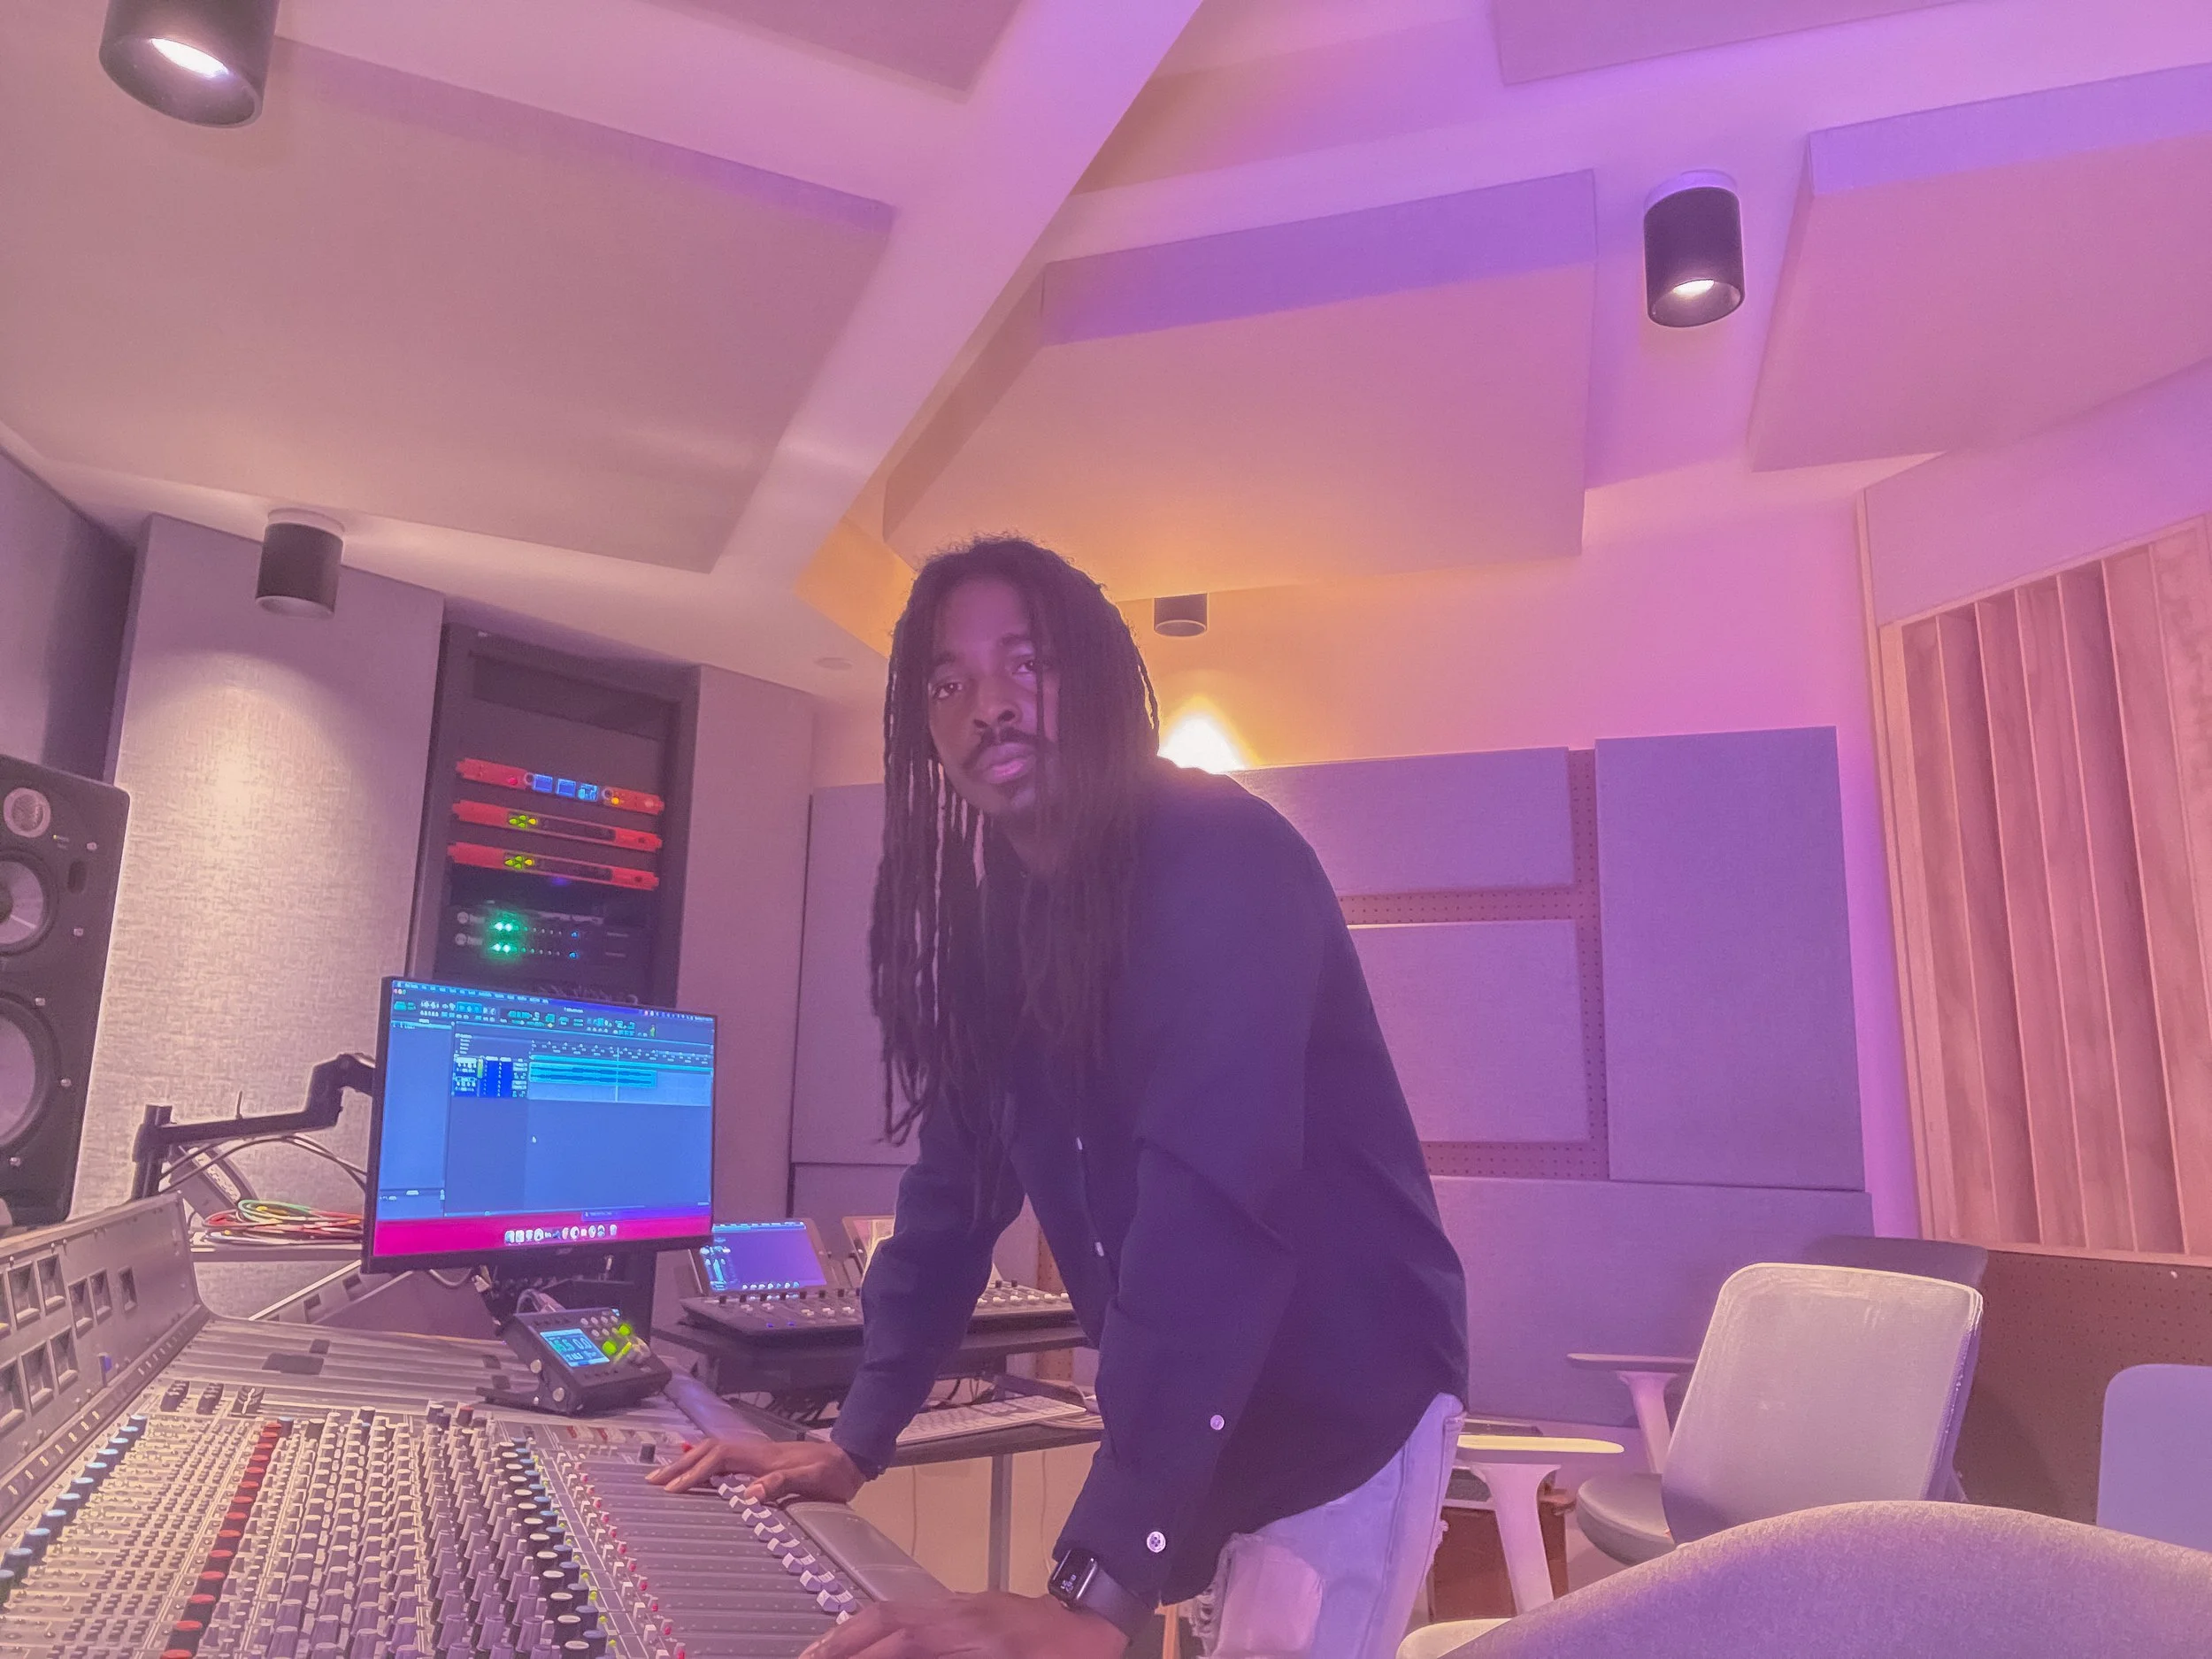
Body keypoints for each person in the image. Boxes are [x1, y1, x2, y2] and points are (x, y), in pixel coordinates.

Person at [652, 538, 1469, 1658]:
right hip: (1207, 1401)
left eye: (1025, 663)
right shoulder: (1002, 916)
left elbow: (1210, 1215)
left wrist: (1093, 1597)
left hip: (1344, 1391)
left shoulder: (1222, 858)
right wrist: (856, 1438)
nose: (989, 705)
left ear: (1093, 677)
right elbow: (951, 1196)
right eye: (949, 682)